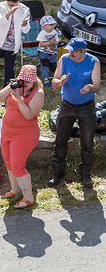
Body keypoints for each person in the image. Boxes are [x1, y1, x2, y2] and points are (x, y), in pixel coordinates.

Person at [48, 38, 101, 189]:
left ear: (83, 51)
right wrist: (60, 82)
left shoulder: (93, 61)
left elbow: (97, 86)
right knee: (61, 140)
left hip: (87, 107)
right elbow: (54, 81)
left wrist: (90, 87)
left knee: (87, 142)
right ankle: (58, 173)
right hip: (67, 106)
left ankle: (85, 174)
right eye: (69, 49)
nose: (70, 52)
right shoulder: (64, 59)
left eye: (73, 50)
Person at [0, 65, 45, 209]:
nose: (24, 83)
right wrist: (10, 87)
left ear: (34, 81)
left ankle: (29, 198)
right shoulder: (16, 87)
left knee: (18, 166)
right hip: (7, 132)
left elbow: (28, 114)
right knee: (9, 164)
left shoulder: (38, 93)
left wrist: (18, 98)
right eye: (22, 80)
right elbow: (0, 98)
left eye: (28, 81)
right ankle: (15, 190)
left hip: (24, 135)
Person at [37, 15, 59, 88]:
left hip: (52, 52)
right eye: (50, 24)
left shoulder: (54, 32)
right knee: (44, 65)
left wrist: (54, 42)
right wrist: (50, 43)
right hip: (43, 52)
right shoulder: (42, 33)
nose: (53, 26)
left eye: (54, 24)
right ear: (44, 26)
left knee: (53, 65)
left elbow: (57, 42)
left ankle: (55, 78)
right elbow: (41, 43)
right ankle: (46, 80)